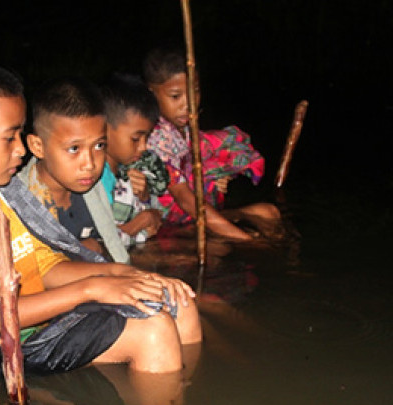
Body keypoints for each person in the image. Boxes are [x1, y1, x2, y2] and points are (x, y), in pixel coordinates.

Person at [0, 57, 201, 377]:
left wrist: (121, 275)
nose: (20, 150)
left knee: (177, 302)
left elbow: (44, 265)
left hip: (45, 310)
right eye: (9, 137)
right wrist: (92, 288)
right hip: (8, 339)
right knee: (153, 331)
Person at [143, 47, 282, 241]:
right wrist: (245, 240)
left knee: (268, 212)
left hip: (195, 216)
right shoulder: (157, 137)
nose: (189, 104)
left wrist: (216, 179)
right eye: (176, 97)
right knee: (224, 247)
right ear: (151, 93)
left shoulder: (184, 130)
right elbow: (185, 199)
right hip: (174, 225)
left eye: (195, 92)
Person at [18, 77, 130, 263]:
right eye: (74, 149)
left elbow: (113, 245)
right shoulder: (19, 202)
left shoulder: (93, 189)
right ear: (38, 146)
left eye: (99, 145)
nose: (90, 164)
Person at [99, 73, 168, 247]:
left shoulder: (130, 168)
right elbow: (100, 244)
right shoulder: (95, 178)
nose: (144, 147)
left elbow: (158, 213)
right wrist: (139, 224)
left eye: (147, 137)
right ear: (104, 130)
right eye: (136, 139)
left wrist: (144, 197)